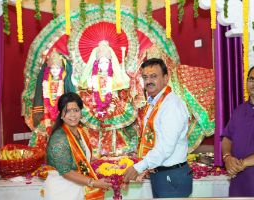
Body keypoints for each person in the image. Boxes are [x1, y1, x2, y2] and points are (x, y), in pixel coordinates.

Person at [123, 58, 192, 198]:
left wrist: (139, 167)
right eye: (145, 77)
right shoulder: (155, 102)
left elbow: (166, 147)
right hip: (160, 173)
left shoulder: (171, 105)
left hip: (171, 176)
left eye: (154, 76)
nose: (149, 81)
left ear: (166, 78)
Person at [77, 41, 143, 157]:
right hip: (95, 106)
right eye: (101, 62)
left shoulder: (114, 78)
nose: (104, 65)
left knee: (114, 129)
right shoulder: (91, 79)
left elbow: (122, 91)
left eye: (107, 62)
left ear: (110, 63)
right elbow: (86, 92)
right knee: (95, 129)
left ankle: (114, 150)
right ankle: (96, 151)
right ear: (96, 63)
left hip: (113, 105)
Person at [44, 92, 112, 200]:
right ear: (61, 115)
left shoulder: (80, 131)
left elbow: (81, 159)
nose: (73, 115)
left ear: (81, 112)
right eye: (67, 111)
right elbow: (66, 172)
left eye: (76, 110)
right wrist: (94, 183)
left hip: (77, 190)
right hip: (61, 192)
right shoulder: (59, 138)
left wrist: (106, 164)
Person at [222, 65, 254, 197]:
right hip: (238, 183)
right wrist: (227, 157)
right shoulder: (239, 110)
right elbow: (227, 137)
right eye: (252, 79)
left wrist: (242, 164)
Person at [29, 50, 75, 149]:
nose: (54, 71)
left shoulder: (64, 81)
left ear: (61, 69)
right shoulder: (45, 82)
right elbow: (40, 96)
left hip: (61, 112)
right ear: (48, 69)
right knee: (43, 133)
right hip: (47, 113)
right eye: (52, 68)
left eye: (57, 68)